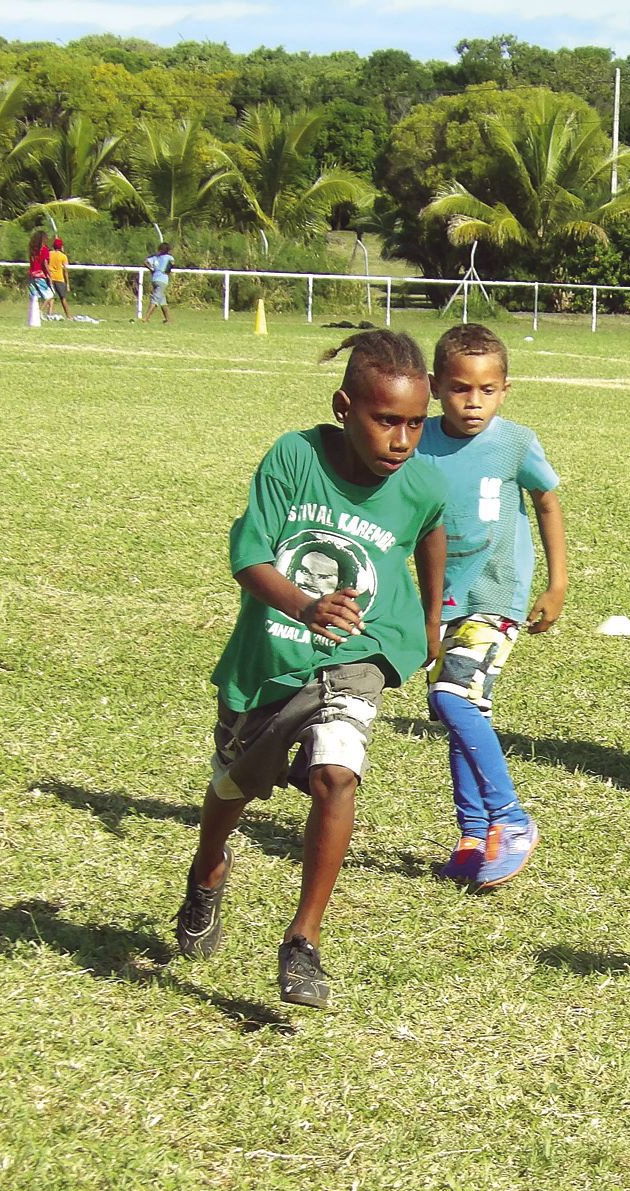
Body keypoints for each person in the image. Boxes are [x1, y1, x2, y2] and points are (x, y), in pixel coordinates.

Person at [175, 330, 450, 1010]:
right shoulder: (293, 458)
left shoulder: (419, 482)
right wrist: (304, 604)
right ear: (343, 406)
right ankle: (209, 864)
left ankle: (303, 939)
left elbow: (431, 523)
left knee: (337, 771)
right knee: (231, 785)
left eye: (417, 422)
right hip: (268, 660)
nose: (403, 439)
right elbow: (248, 558)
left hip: (358, 653)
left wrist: (430, 616)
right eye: (386, 420)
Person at [418, 324, 567, 889]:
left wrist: (556, 585)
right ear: (435, 387)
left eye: (485, 389)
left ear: (505, 389)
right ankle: (474, 833)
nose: (472, 401)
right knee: (463, 713)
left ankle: (511, 818)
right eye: (459, 388)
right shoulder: (419, 441)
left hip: (496, 597)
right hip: (443, 603)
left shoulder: (516, 443)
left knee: (451, 698)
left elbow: (547, 503)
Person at [26, 230, 56, 320]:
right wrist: (49, 275)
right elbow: (45, 263)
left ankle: (33, 313)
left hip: (32, 275)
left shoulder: (33, 250)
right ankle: (39, 311)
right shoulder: (44, 250)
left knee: (34, 296)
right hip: (40, 276)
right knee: (50, 295)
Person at [145, 242, 175, 324]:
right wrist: (167, 271)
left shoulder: (155, 257)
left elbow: (145, 262)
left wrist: (152, 270)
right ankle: (146, 318)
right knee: (155, 299)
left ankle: (168, 319)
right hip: (162, 279)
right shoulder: (169, 257)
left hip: (154, 278)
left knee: (162, 300)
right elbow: (171, 264)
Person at [47, 237, 70, 316]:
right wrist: (67, 284)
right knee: (63, 298)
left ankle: (49, 313)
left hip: (50, 277)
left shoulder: (49, 254)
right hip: (59, 279)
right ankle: (68, 315)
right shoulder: (63, 256)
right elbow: (65, 270)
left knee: (51, 297)